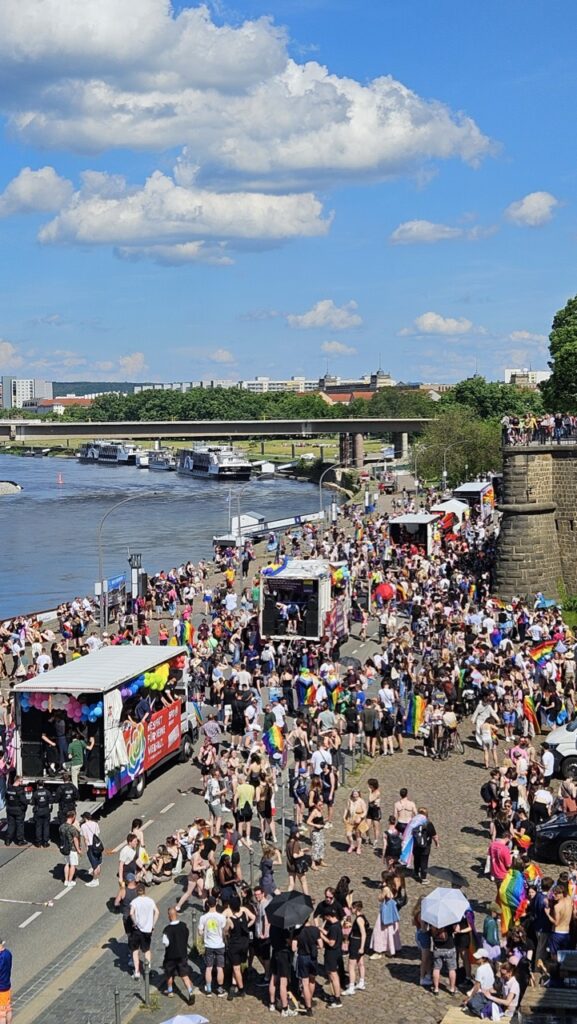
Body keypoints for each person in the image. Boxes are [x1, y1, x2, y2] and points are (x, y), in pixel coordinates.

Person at [162, 906, 195, 1003]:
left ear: (169, 916)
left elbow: (165, 943)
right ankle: (190, 991)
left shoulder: (167, 929)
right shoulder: (183, 926)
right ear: (176, 914)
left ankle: (170, 990)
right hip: (182, 955)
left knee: (169, 974)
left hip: (171, 956)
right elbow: (187, 935)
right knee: (184, 975)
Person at [225, 894, 255, 999]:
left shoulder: (230, 920)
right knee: (237, 965)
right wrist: (246, 926)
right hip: (244, 943)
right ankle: (233, 984)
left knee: (236, 968)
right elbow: (254, 918)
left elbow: (225, 932)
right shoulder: (244, 913)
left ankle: (241, 989)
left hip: (235, 946)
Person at [198, 895, 227, 997]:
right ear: (216, 903)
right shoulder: (221, 917)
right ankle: (220, 989)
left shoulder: (203, 918)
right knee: (220, 967)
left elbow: (200, 932)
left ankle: (209, 989)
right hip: (219, 944)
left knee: (209, 967)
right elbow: (224, 930)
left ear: (207, 904)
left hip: (208, 945)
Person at [129, 885, 159, 979]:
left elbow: (131, 913)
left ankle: (137, 971)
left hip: (137, 929)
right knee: (146, 950)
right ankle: (148, 969)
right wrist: (153, 924)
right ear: (145, 891)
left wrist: (135, 922)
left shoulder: (134, 902)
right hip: (147, 930)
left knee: (135, 950)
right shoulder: (150, 901)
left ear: (137, 891)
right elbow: (157, 912)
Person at [293, 920, 321, 1016]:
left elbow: (293, 948)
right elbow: (321, 945)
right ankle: (310, 998)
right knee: (312, 980)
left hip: (303, 957)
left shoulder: (297, 931)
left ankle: (308, 1006)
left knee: (305, 983)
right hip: (313, 958)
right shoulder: (315, 930)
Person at [320, 905, 344, 1008]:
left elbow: (331, 942)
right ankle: (335, 995)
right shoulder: (337, 924)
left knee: (333, 976)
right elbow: (329, 934)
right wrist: (321, 930)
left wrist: (321, 936)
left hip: (332, 953)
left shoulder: (333, 928)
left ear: (329, 916)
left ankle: (337, 999)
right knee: (333, 975)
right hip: (337, 952)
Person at [344, 900, 368, 995]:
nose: (351, 910)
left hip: (356, 943)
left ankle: (351, 987)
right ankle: (361, 982)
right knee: (360, 963)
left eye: (352, 908)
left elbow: (363, 933)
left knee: (351, 965)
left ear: (356, 908)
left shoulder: (358, 919)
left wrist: (361, 947)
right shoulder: (362, 917)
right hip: (358, 942)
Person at [412, 808, 439, 885]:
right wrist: (437, 843)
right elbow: (434, 835)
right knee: (424, 861)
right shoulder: (429, 824)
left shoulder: (414, 823)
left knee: (416, 859)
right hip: (426, 846)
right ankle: (423, 878)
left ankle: (416, 873)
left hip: (416, 845)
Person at [430, 924, 457, 996]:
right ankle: (452, 989)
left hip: (437, 948)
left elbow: (427, 932)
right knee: (451, 969)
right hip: (449, 948)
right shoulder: (449, 921)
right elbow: (457, 929)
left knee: (436, 968)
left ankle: (436, 989)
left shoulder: (432, 921)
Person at [59, 810, 82, 886]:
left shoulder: (61, 827)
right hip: (72, 849)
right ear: (73, 817)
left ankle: (65, 880)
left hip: (65, 848)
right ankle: (70, 880)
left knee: (66, 864)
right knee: (73, 865)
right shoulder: (72, 828)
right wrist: (78, 849)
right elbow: (75, 839)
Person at [80, 811, 103, 887]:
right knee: (98, 863)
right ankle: (97, 878)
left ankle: (95, 880)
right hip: (97, 845)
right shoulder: (95, 824)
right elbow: (97, 833)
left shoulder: (83, 826)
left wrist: (86, 848)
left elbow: (85, 838)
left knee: (94, 865)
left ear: (84, 818)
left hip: (90, 846)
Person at [4, 777, 27, 847]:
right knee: (20, 825)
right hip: (18, 810)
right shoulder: (20, 790)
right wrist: (24, 808)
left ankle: (8, 840)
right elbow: (24, 801)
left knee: (10, 824)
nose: (22, 783)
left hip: (10, 809)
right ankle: (20, 840)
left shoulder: (8, 789)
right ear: (18, 781)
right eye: (21, 781)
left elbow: (6, 798)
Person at [31, 780, 52, 848]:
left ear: (37, 785)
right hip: (46, 810)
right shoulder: (47, 792)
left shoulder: (35, 793)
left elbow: (32, 802)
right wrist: (50, 810)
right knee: (46, 826)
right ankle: (45, 842)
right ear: (43, 784)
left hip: (38, 810)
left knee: (38, 827)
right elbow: (51, 802)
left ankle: (38, 842)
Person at [0, 938, 12, 1024]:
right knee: (8, 1008)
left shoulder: (1, 957)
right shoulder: (8, 953)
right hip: (7, 985)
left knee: (1, 1014)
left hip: (0, 988)